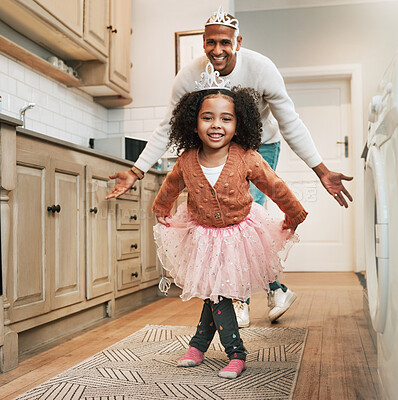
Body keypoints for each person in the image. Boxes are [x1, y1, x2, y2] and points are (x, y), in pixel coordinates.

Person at [105, 6, 352, 326]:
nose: (217, 50)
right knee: (222, 223)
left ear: (238, 42)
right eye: (210, 43)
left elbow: (290, 122)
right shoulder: (189, 76)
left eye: (224, 42)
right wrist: (136, 171)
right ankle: (275, 289)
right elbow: (167, 127)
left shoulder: (262, 68)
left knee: (246, 217)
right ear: (203, 42)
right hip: (215, 146)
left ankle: (240, 300)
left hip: (258, 144)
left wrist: (321, 170)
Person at [151, 64, 307, 379]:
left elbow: (275, 187)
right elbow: (169, 187)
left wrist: (294, 214)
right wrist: (161, 208)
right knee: (214, 291)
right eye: (207, 117)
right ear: (193, 123)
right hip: (202, 235)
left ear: (239, 124)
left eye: (226, 118)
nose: (216, 125)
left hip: (239, 234)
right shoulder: (186, 161)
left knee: (219, 293)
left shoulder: (247, 156)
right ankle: (199, 344)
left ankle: (235, 352)